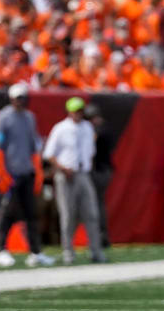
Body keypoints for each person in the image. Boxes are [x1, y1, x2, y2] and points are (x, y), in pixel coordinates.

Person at [0, 83, 54, 267]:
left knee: (31, 214)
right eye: (18, 98)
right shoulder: (3, 118)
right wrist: (1, 173)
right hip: (10, 174)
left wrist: (38, 171)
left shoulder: (29, 117)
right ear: (11, 99)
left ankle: (35, 252)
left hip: (26, 172)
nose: (21, 101)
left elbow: (34, 146)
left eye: (23, 98)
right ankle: (2, 250)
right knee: (6, 213)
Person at [43, 97, 106, 264]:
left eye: (80, 110)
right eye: (75, 110)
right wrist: (63, 168)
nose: (78, 113)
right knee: (68, 215)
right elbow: (49, 154)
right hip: (66, 175)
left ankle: (96, 251)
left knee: (91, 213)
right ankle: (68, 252)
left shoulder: (87, 127)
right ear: (69, 111)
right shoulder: (60, 128)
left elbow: (90, 151)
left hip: (83, 174)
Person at [85, 104, 112, 248]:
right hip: (104, 170)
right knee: (97, 203)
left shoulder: (99, 131)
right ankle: (100, 235)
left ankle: (99, 236)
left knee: (95, 204)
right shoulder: (105, 128)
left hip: (99, 171)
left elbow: (91, 148)